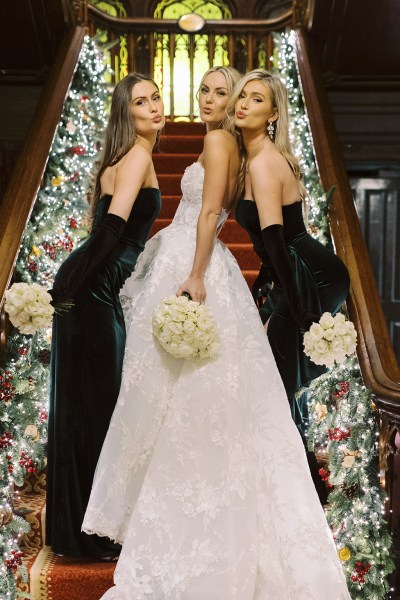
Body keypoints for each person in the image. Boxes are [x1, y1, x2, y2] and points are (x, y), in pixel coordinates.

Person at [82, 66, 350, 599]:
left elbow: (211, 214)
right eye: (204, 89)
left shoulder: (224, 142)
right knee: (166, 392)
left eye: (222, 93)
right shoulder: (237, 147)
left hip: (199, 262)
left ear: (247, 107)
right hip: (186, 254)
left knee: (197, 398)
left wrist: (199, 274)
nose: (210, 99)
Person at [46, 73, 164, 559]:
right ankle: (90, 536)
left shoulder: (131, 155)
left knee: (89, 406)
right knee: (97, 407)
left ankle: (84, 532)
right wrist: (71, 284)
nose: (154, 106)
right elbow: (112, 230)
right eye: (141, 102)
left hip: (95, 284)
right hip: (92, 289)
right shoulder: (136, 154)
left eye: (156, 97)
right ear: (126, 113)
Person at [233, 69, 350, 447]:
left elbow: (277, 241)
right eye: (242, 95)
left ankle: (295, 486)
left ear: (273, 114)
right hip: (294, 270)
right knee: (281, 377)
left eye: (257, 99)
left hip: (310, 273)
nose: (244, 104)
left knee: (280, 380)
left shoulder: (264, 162)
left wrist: (301, 312)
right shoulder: (255, 157)